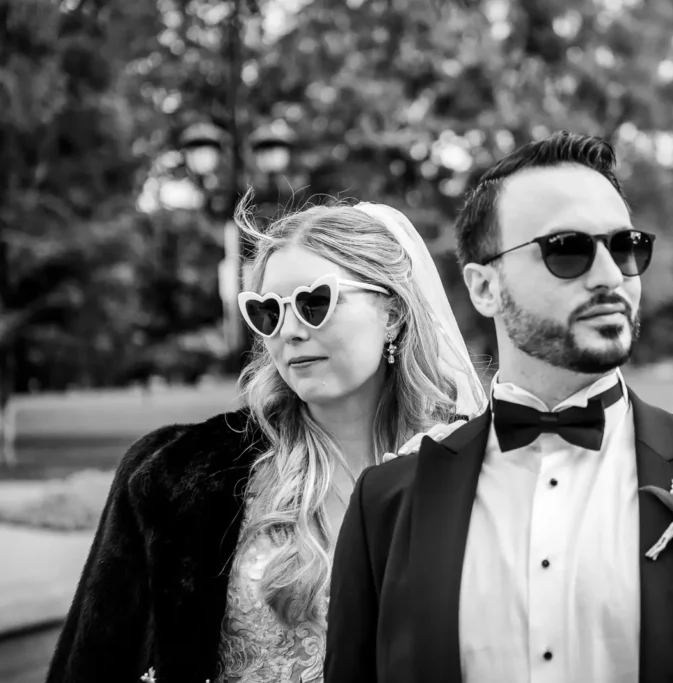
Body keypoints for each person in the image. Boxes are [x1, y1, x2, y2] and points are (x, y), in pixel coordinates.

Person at [325, 131, 673, 683]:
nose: (610, 275)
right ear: (484, 287)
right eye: (568, 249)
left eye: (625, 247)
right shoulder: (386, 505)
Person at [45, 200, 484, 683]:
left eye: (315, 303)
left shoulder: (470, 467)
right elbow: (92, 661)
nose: (290, 331)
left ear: (394, 314)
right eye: (268, 311)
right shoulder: (174, 475)